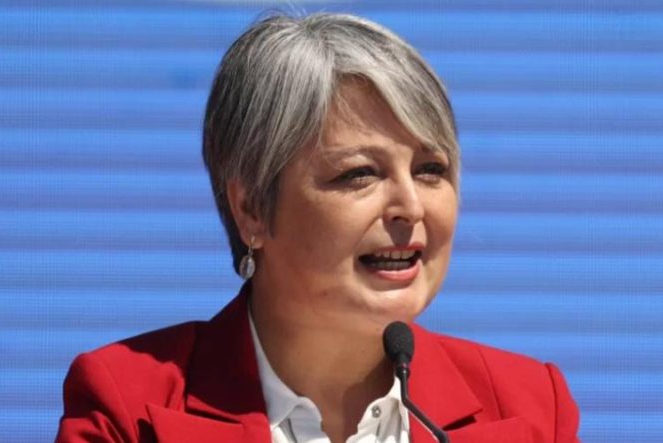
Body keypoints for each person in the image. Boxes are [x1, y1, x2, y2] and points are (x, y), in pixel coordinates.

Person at [56, 12, 579, 443]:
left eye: (430, 170)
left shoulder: (530, 407)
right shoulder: (129, 409)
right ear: (251, 208)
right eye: (360, 173)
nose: (410, 206)